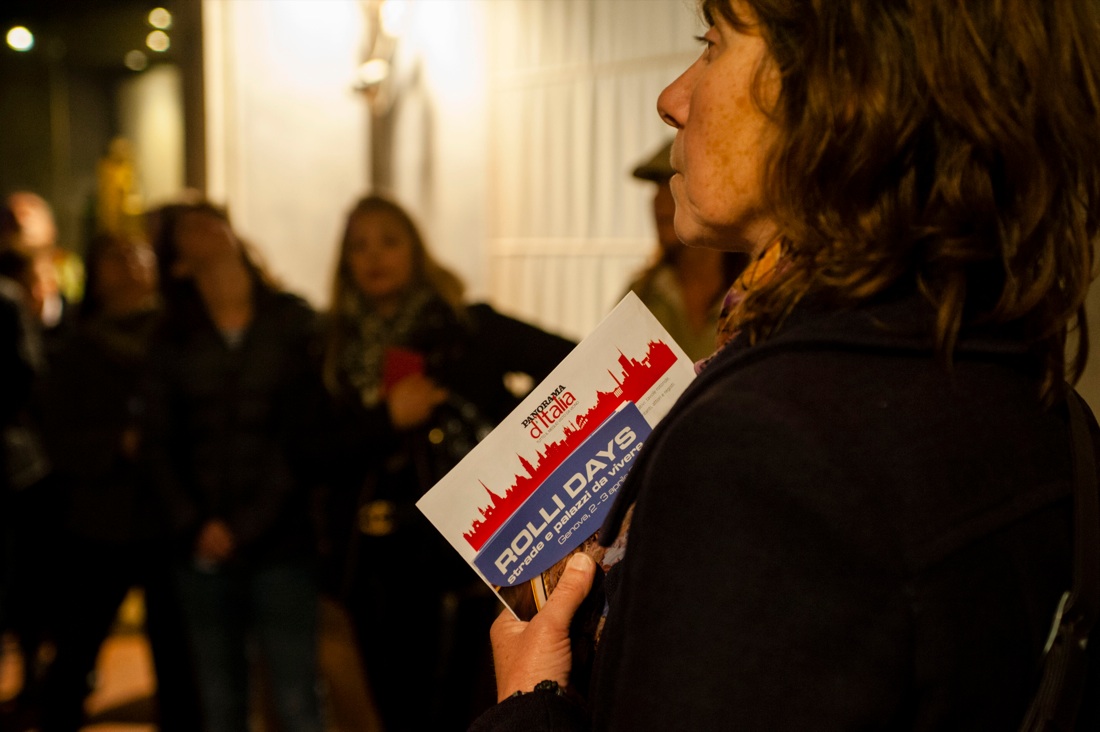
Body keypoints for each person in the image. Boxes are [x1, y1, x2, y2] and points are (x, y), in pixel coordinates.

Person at [471, 0, 1100, 730]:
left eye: (712, 43)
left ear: (842, 90)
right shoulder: (1035, 392)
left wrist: (529, 703)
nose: (672, 99)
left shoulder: (766, 447)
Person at [322, 193, 576, 729]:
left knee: (457, 707)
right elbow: (309, 448)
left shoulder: (467, 329)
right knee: (394, 707)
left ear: (416, 251)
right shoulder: (330, 348)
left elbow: (570, 364)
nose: (375, 257)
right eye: (359, 246)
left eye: (389, 241)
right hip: (370, 563)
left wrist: (519, 440)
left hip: (457, 559)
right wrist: (386, 420)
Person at [141, 201, 326, 732]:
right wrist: (195, 524)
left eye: (211, 218)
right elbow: (160, 443)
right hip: (198, 546)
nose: (205, 227)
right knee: (220, 704)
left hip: (281, 543)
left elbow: (298, 438)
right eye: (188, 228)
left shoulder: (291, 321)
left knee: (296, 700)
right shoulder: (172, 338)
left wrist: (247, 525)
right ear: (177, 263)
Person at [36, 230, 202, 731]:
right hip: (99, 520)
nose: (129, 262)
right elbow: (54, 432)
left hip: (167, 517)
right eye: (114, 255)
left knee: (178, 660)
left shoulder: (180, 339)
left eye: (138, 252)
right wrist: (115, 444)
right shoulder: (75, 348)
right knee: (76, 648)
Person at [623, 139, 746, 361]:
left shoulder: (759, 291)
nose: (659, 201)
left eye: (675, 183)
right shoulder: (642, 295)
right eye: (656, 188)